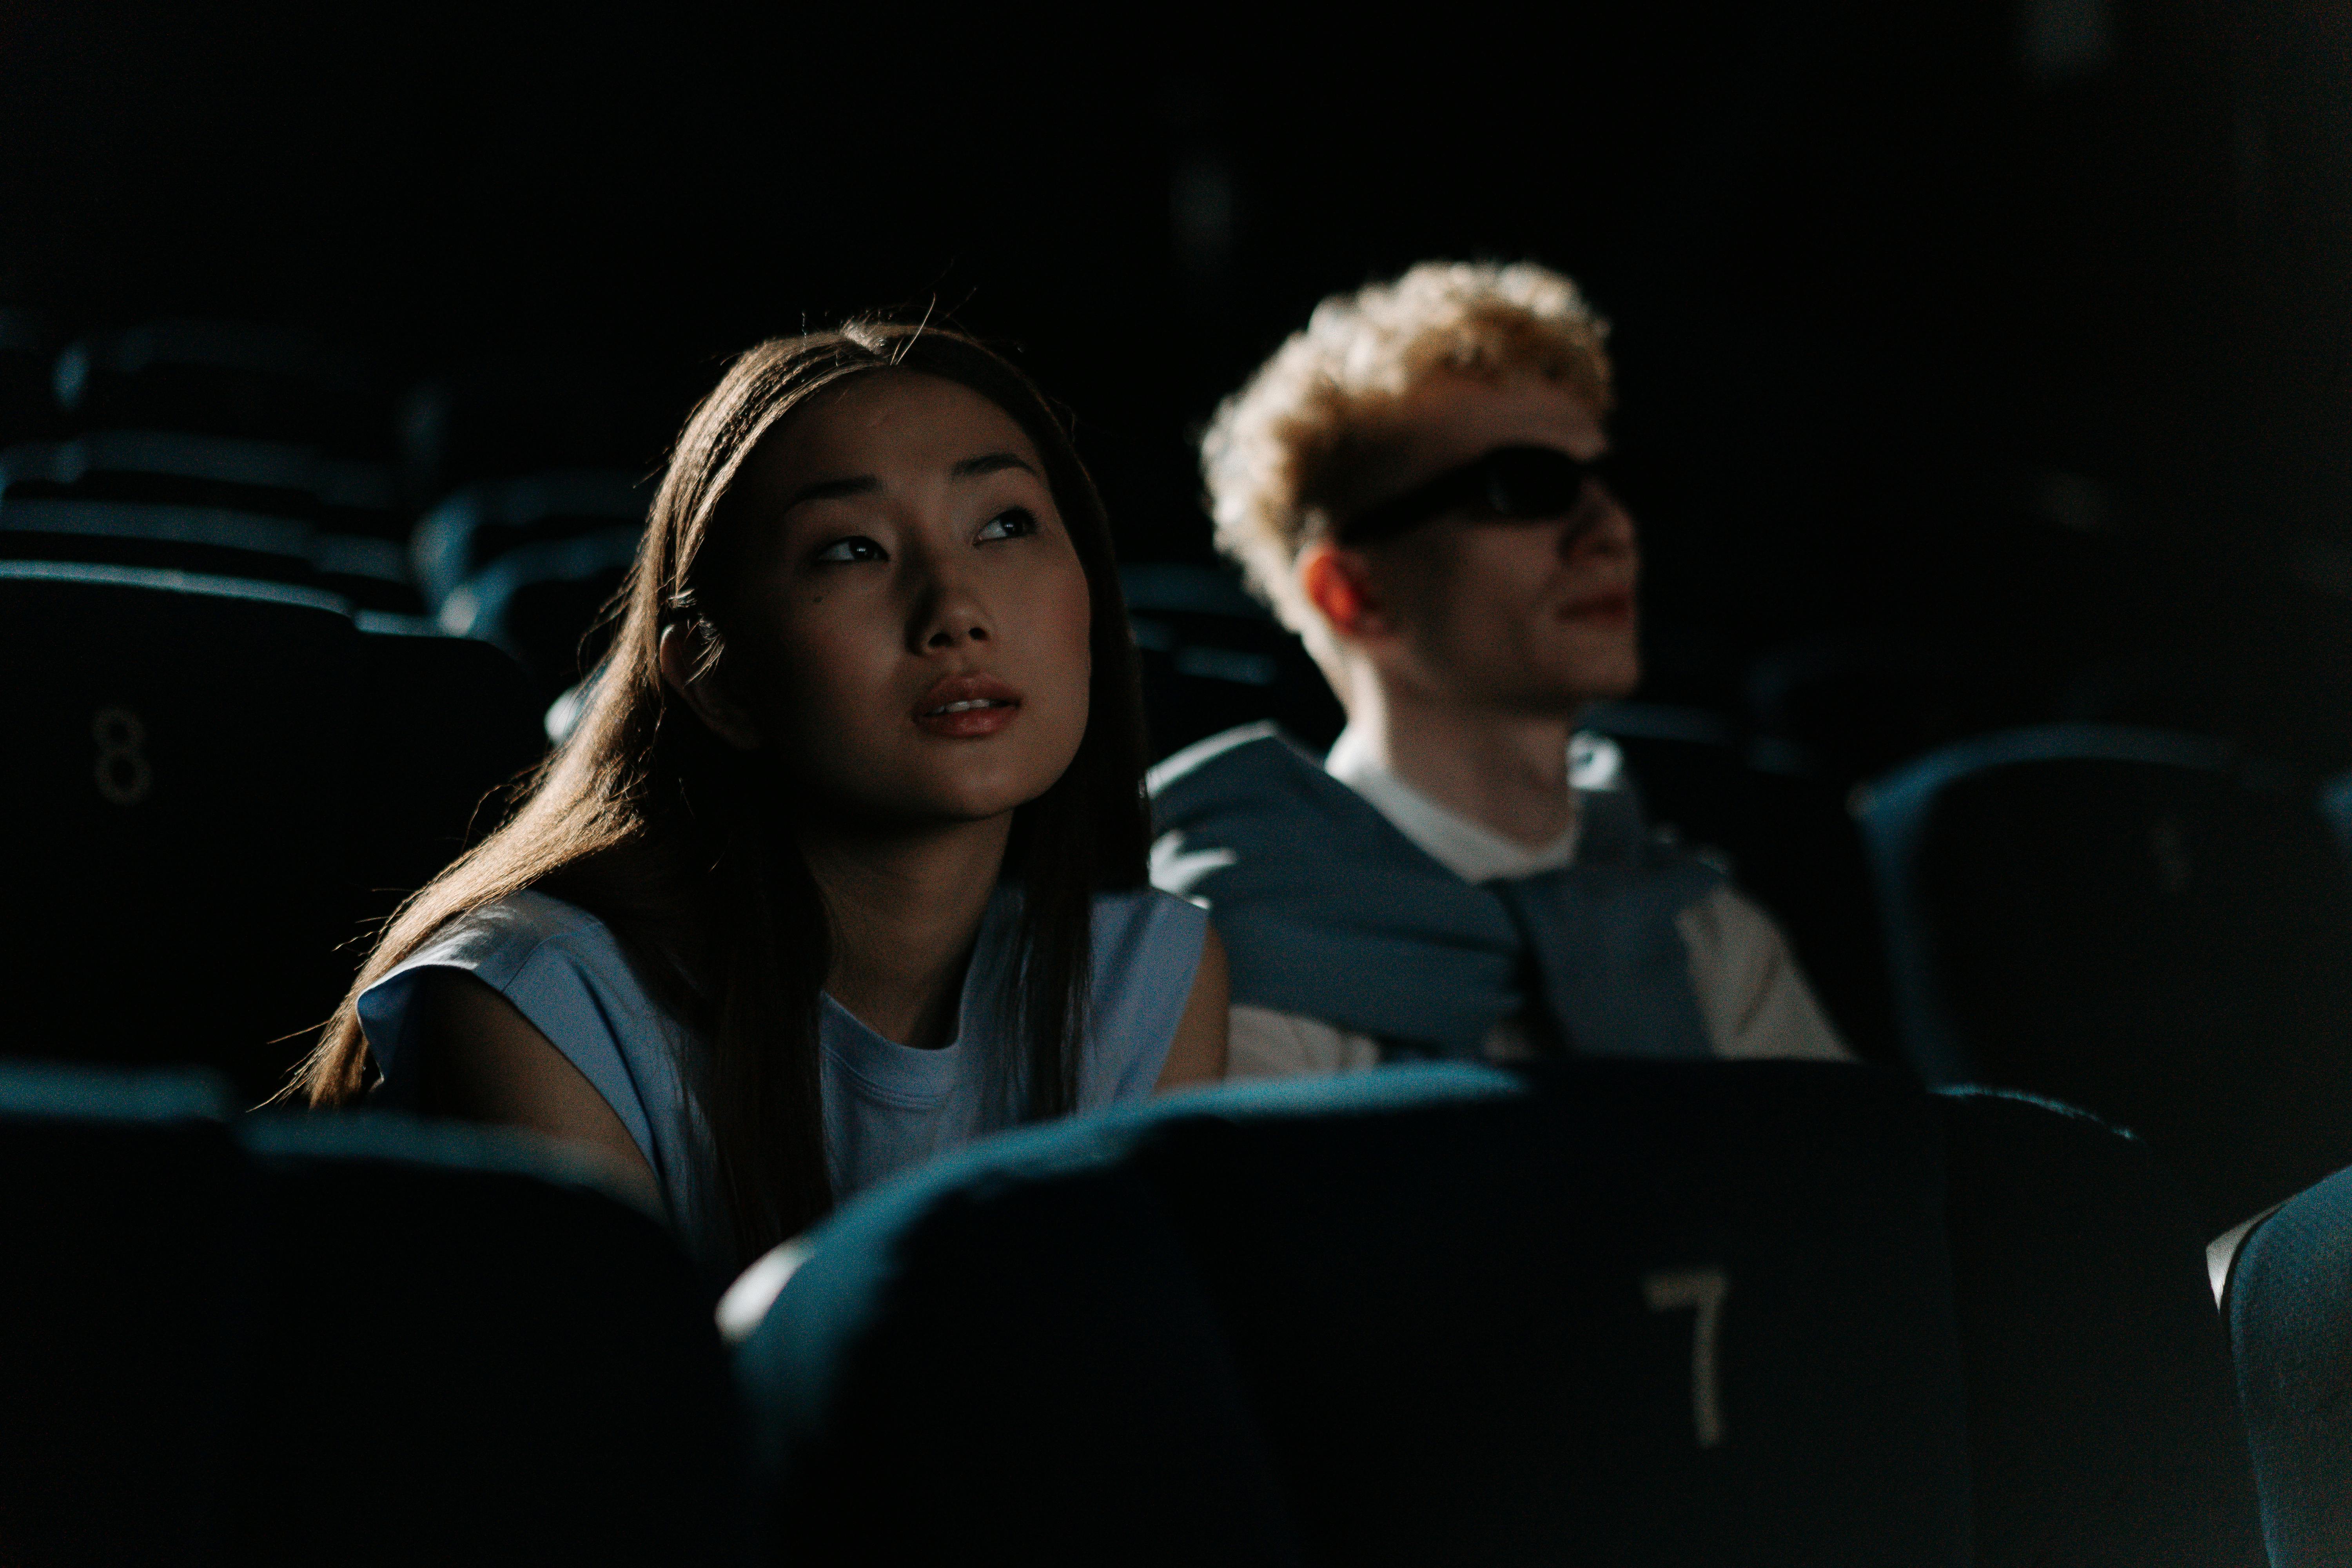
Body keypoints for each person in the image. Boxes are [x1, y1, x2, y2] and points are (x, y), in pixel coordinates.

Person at [291, 322, 1229, 1278]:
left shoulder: (1143, 975)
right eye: (853, 549)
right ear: (715, 679)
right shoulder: (536, 1004)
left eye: (1005, 526)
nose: (955, 610)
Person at [1151, 261, 1844, 1076]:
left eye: (1611, 483)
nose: (1613, 531)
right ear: (1353, 593)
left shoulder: (1703, 929)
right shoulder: (1240, 945)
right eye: (1527, 487)